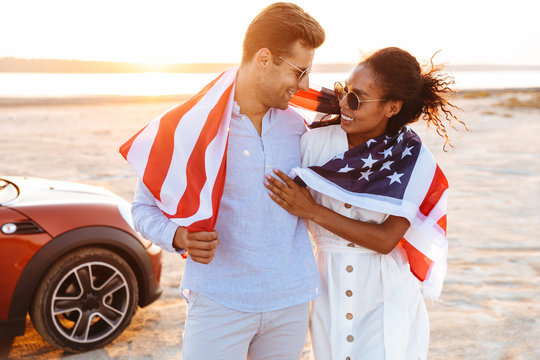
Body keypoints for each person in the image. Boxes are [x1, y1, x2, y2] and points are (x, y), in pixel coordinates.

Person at [120, 3, 325, 360]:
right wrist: (179, 236)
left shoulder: (299, 128)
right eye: (300, 71)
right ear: (264, 59)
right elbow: (142, 208)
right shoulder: (190, 126)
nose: (305, 85)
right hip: (220, 301)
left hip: (291, 300)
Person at [265, 47, 465, 359]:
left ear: (392, 107)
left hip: (385, 295)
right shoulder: (313, 143)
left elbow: (386, 240)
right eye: (343, 92)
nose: (343, 104)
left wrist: (312, 210)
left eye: (356, 99)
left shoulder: (413, 159)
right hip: (327, 289)